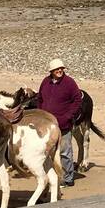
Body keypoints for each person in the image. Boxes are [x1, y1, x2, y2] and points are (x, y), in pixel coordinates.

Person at [37, 58, 83, 187]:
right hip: (46, 125)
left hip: (63, 124)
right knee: (46, 151)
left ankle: (68, 178)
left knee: (65, 151)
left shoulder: (69, 83)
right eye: (57, 69)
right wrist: (41, 114)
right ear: (51, 71)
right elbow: (40, 98)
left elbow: (77, 100)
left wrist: (68, 116)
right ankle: (51, 176)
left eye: (61, 68)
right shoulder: (45, 82)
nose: (60, 71)